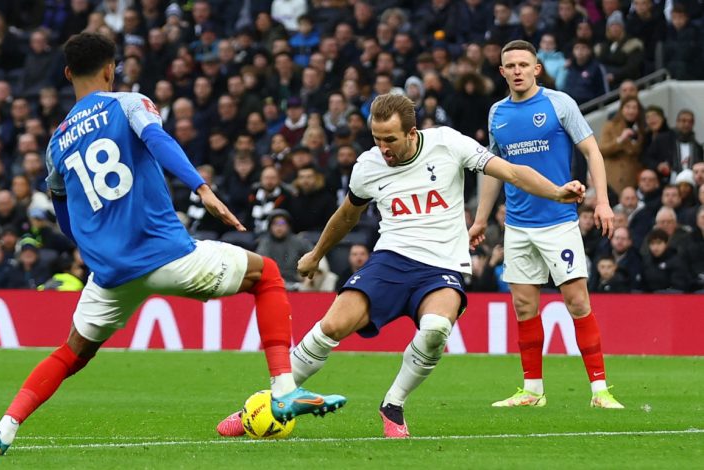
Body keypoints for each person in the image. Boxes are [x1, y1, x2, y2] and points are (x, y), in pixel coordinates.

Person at [0, 33, 345, 457]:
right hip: (168, 255)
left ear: (66, 74)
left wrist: (96, 248)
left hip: (111, 274)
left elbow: (65, 218)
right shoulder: (129, 103)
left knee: (72, 352)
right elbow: (158, 141)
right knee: (267, 274)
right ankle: (283, 389)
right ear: (110, 69)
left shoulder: (56, 143)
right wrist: (201, 187)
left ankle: (3, 429)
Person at [217, 93, 586, 438]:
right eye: (376, 138)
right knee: (329, 327)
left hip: (442, 266)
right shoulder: (368, 166)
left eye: (390, 139)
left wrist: (555, 192)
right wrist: (316, 254)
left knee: (436, 329)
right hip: (390, 260)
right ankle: (260, 406)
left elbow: (512, 172)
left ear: (412, 132)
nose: (383, 148)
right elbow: (347, 216)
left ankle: (393, 406)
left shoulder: (448, 144)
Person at [469, 40, 624, 410]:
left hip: (558, 222)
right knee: (524, 306)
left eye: (525, 64)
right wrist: (480, 220)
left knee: (576, 301)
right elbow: (494, 169)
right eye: (512, 65)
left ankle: (600, 391)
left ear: (537, 68)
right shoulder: (496, 114)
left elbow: (591, 151)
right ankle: (532, 390)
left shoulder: (559, 103)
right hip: (518, 226)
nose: (518, 70)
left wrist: (601, 201)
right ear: (502, 72)